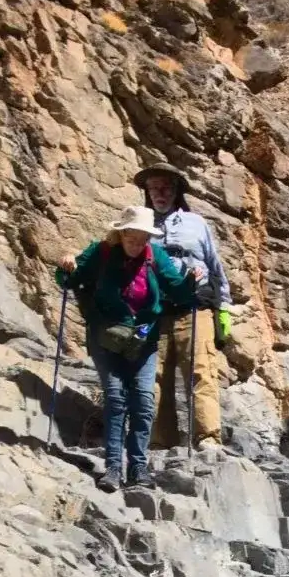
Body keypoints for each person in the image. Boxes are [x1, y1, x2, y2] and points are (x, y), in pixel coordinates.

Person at [56, 205, 193, 492]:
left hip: (143, 339)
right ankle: (113, 468)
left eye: (143, 239)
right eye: (132, 238)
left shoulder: (156, 256)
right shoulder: (101, 252)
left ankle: (139, 467)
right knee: (117, 397)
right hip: (106, 336)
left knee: (143, 401)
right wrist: (66, 266)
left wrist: (193, 280)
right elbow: (71, 280)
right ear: (121, 233)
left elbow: (179, 292)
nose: (137, 244)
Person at [133, 160, 233, 450]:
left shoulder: (197, 223)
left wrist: (223, 307)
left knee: (200, 369)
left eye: (165, 187)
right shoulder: (141, 225)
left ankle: (208, 438)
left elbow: (215, 265)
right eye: (153, 189)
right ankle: (160, 440)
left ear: (176, 190)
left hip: (196, 306)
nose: (159, 193)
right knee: (154, 374)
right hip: (155, 309)